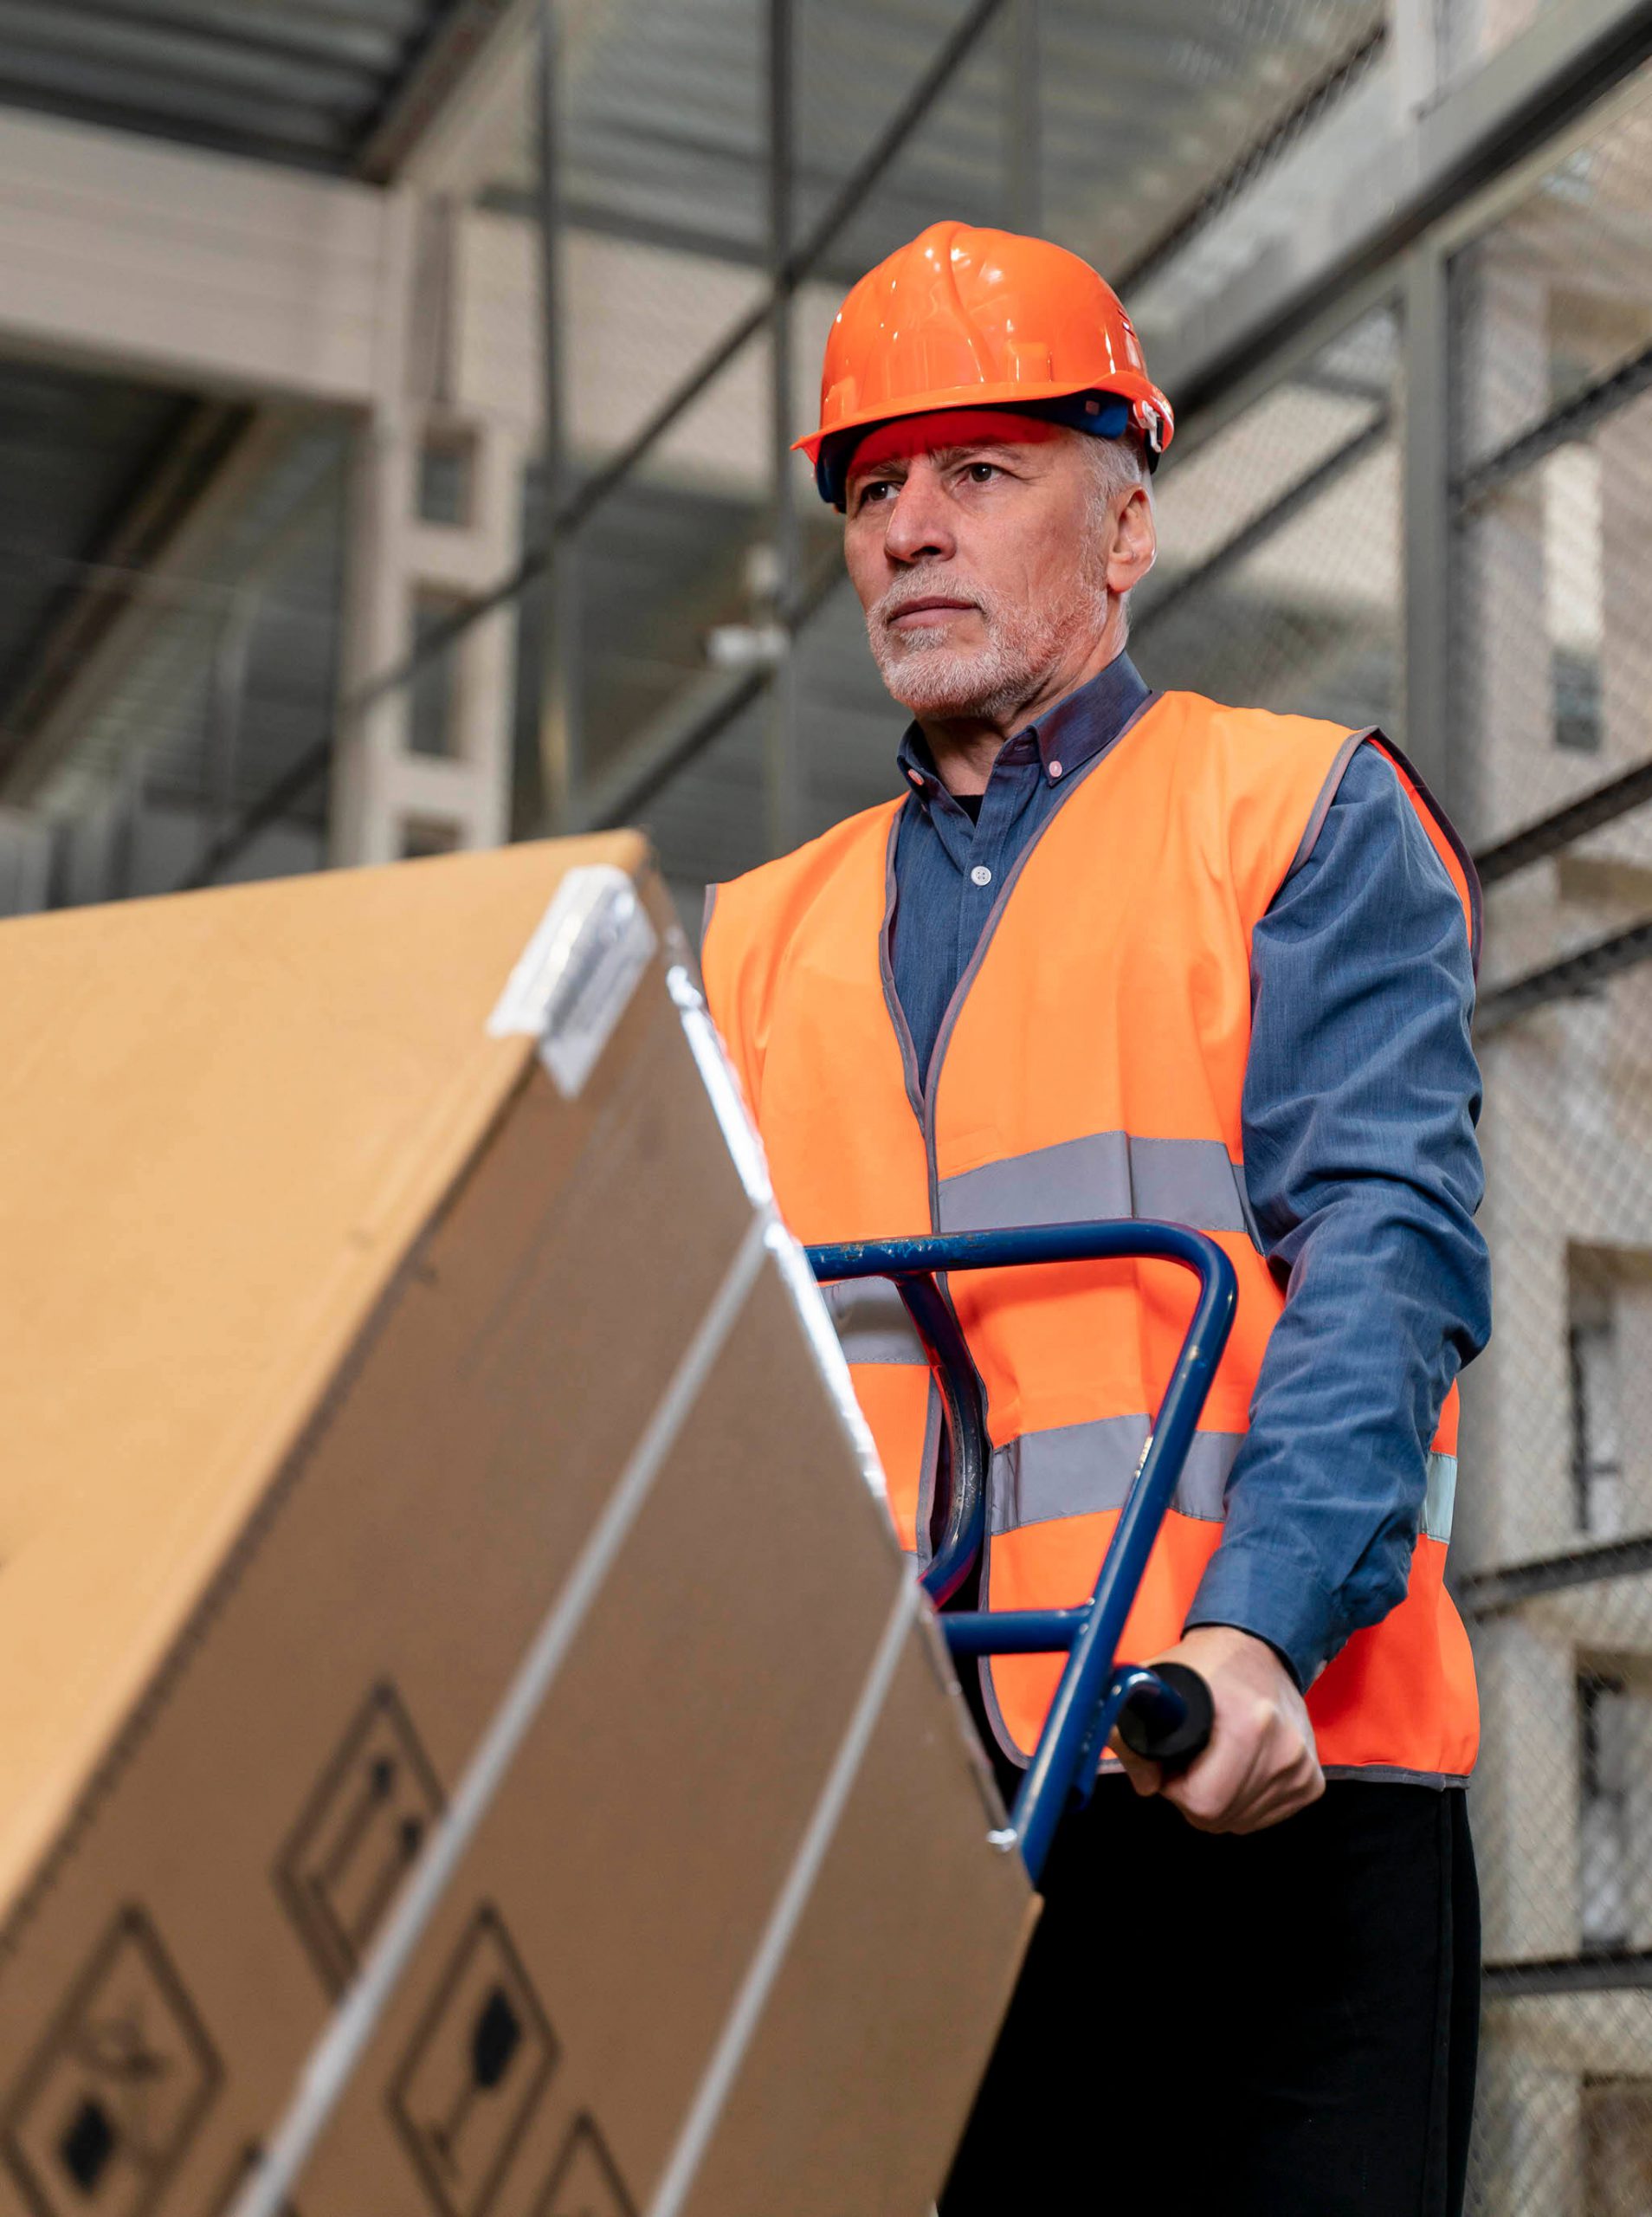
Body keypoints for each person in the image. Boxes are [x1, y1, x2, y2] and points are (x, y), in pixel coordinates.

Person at [700, 221, 1491, 2215]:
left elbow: (1383, 1249)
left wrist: (1252, 1634)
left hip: (1250, 1775)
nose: (912, 529)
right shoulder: (759, 936)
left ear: (1124, 527)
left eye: (983, 472)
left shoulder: (1293, 815)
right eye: (877, 487)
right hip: (906, 1832)